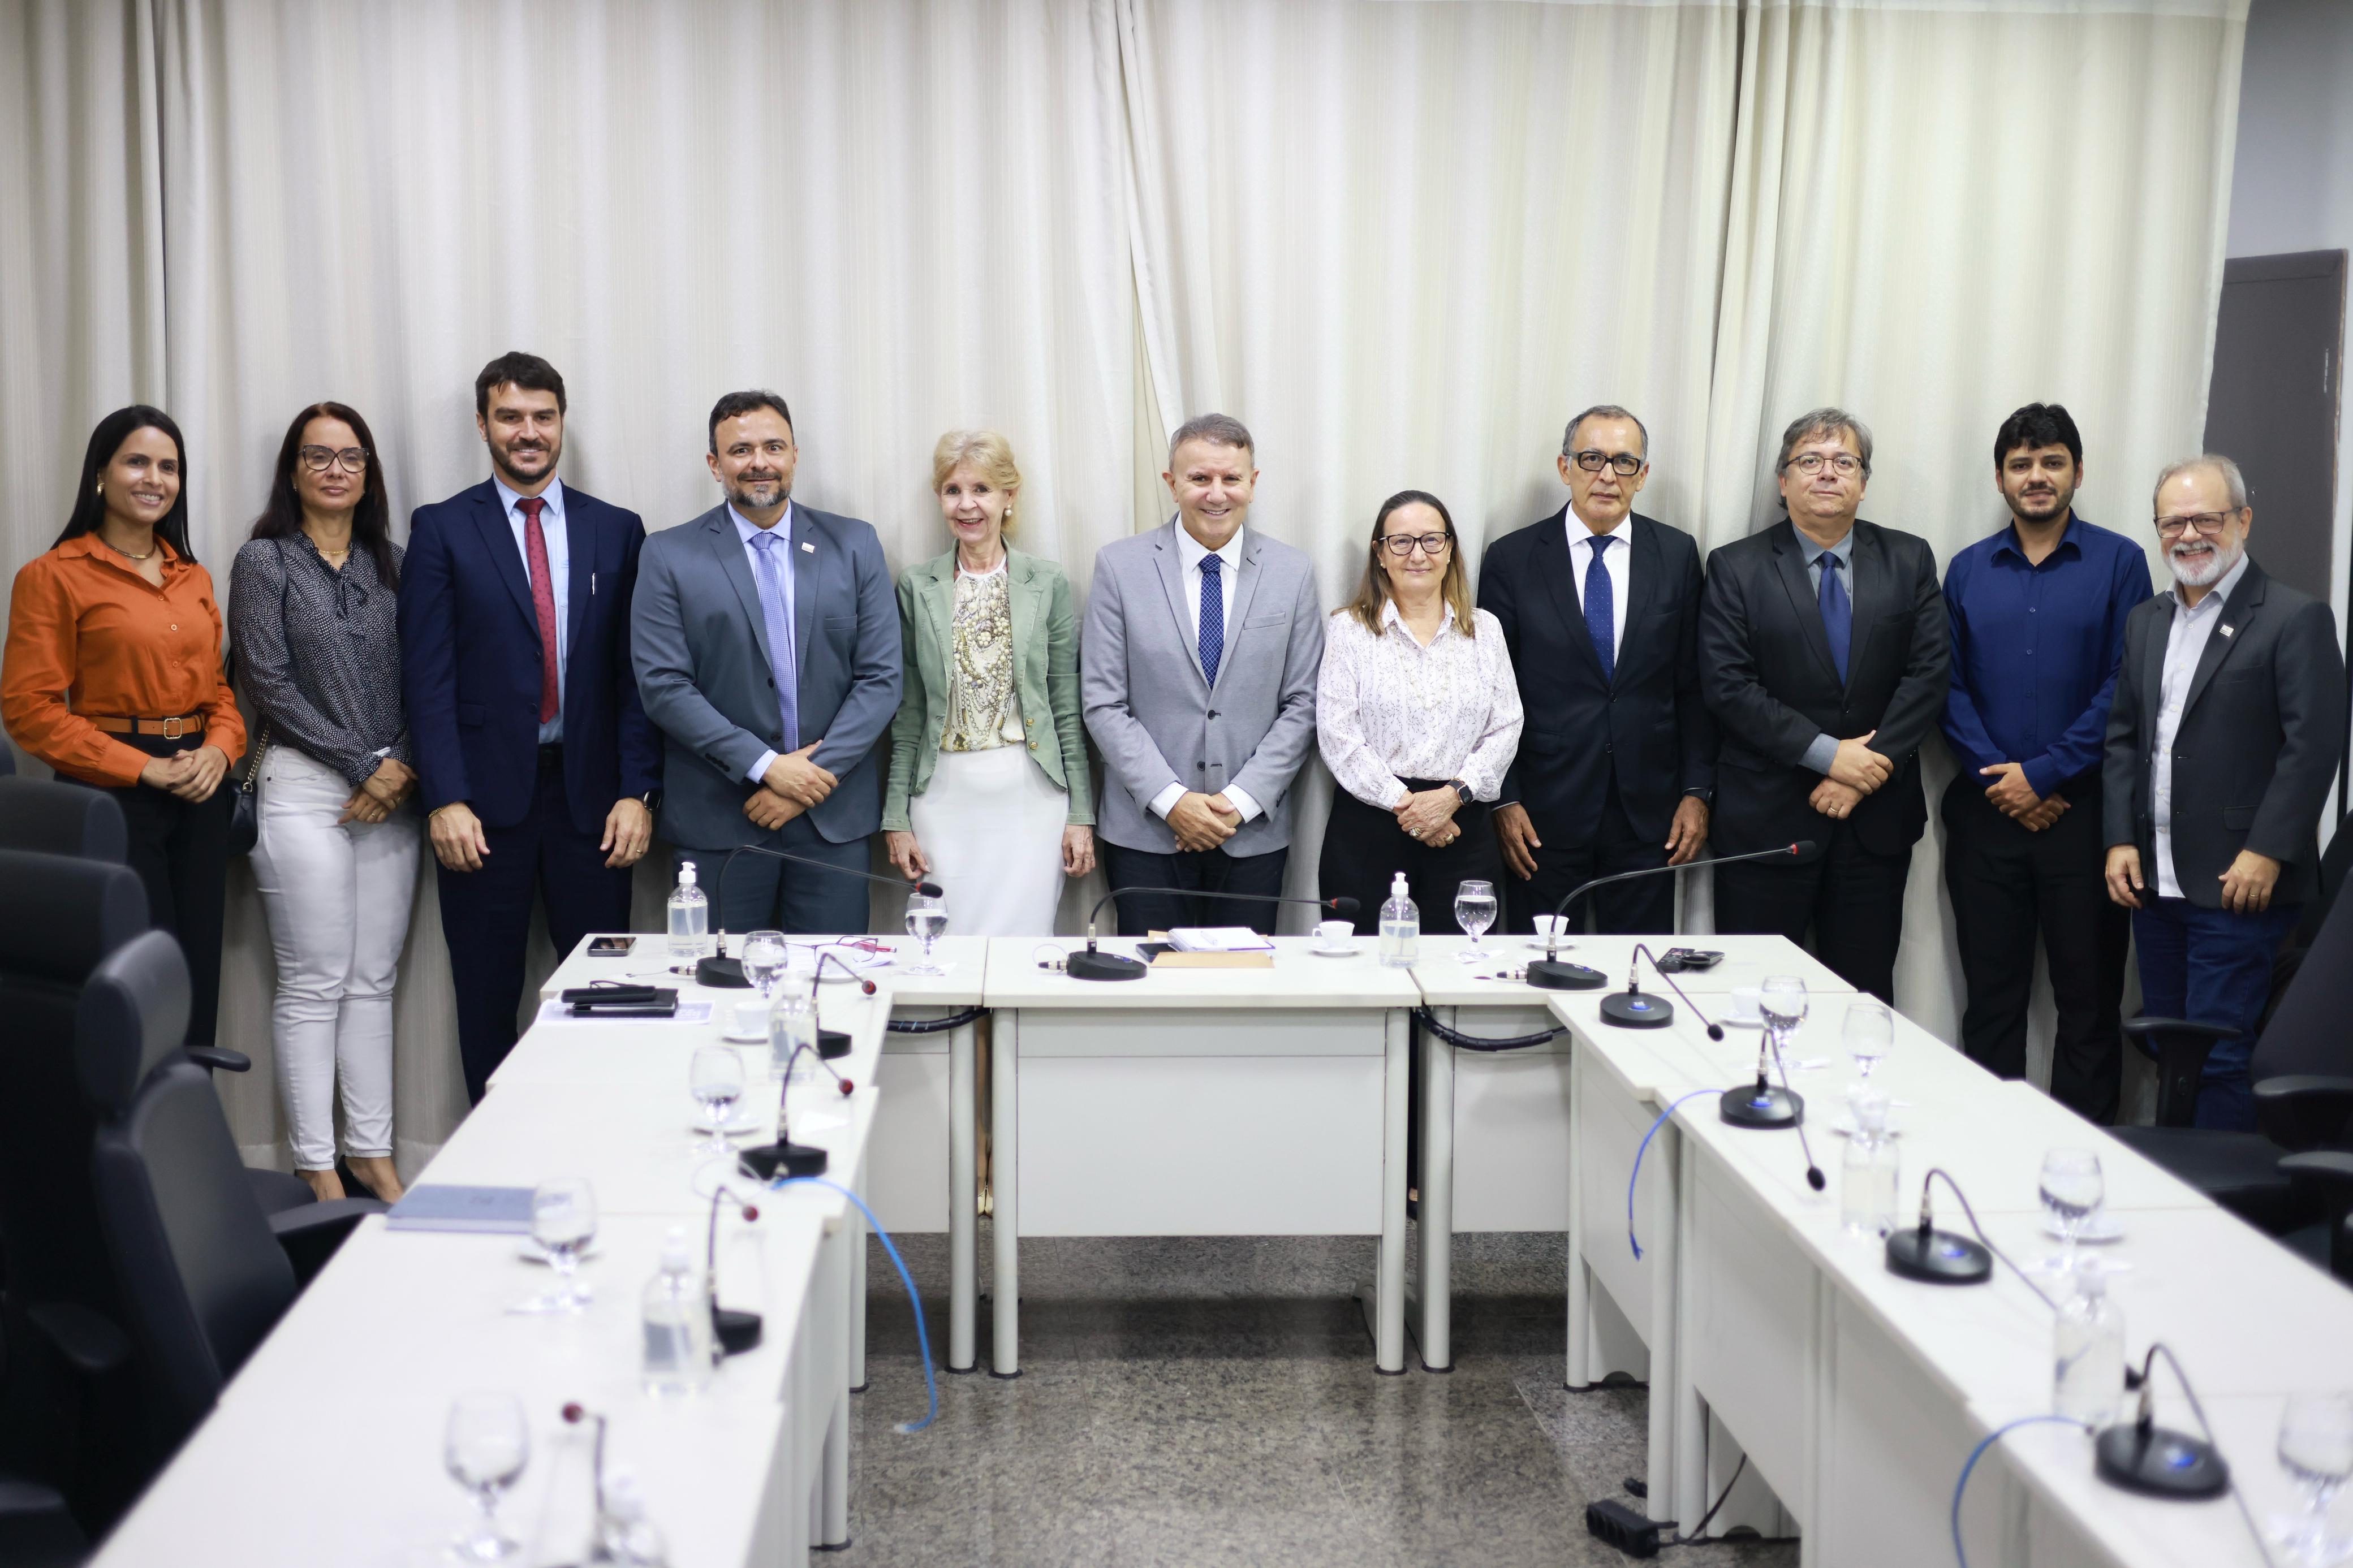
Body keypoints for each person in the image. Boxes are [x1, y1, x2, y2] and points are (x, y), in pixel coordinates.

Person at [399, 353, 661, 1103]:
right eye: (510, 416)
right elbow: (427, 677)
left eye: (543, 416)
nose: (528, 432)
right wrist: (444, 797)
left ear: (562, 424)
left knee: (607, 996)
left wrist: (638, 791)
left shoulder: (617, 531)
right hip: (481, 809)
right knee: (487, 1002)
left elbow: (634, 678)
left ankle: (599, 1158)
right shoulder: (443, 529)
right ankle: (495, 1173)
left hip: (595, 806)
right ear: (482, 424)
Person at [2103, 455, 2346, 1131]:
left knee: (2218, 1057)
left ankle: (2222, 1218)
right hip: (2157, 887)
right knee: (2167, 1049)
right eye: (2172, 521)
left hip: (2239, 884)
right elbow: (2123, 738)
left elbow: (2312, 747)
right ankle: (2175, 1194)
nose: (2188, 535)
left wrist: (2266, 849)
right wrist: (2120, 838)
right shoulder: (2145, 621)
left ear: (2241, 519)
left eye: (2205, 518)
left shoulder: (2293, 619)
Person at [3, 406, 245, 1047]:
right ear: (101, 476)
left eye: (169, 467)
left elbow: (220, 691)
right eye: (137, 461)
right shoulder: (52, 576)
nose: (154, 478)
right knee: (141, 974)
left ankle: (187, 1127)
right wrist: (143, 767)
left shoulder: (191, 577)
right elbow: (29, 708)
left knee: (196, 972)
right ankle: (134, 1135)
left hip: (200, 786)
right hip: (110, 791)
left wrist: (220, 752)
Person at [1940, 404, 2150, 1123]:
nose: (2036, 476)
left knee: (2087, 1004)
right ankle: (1990, 1156)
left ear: (2077, 472)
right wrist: (2005, 779)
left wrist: (2047, 774)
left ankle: (2080, 1161)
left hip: (2085, 820)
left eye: (2051, 461)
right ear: (2000, 478)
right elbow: (1945, 685)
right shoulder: (1965, 570)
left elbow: (2129, 681)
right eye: (2021, 464)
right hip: (1984, 818)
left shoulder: (2121, 562)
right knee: (1990, 1003)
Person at [229, 403, 418, 1202]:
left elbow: (429, 674)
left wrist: (398, 764)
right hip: (303, 790)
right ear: (294, 470)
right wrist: (359, 762)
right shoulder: (264, 561)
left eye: (351, 456)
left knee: (372, 980)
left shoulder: (397, 562)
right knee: (315, 980)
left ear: (369, 472)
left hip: (393, 795)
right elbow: (264, 682)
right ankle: (316, 1168)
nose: (335, 469)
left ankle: (372, 1156)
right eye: (318, 456)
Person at [1698, 407, 1950, 1002]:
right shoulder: (1734, 566)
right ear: (1782, 481)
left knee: (1861, 1001)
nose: (1826, 473)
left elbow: (1929, 674)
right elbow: (1727, 686)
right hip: (1766, 823)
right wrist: (1826, 757)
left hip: (1874, 827)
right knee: (1753, 1001)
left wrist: (1862, 773)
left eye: (1844, 462)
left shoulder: (1909, 559)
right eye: (1808, 460)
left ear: (1863, 482)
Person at [632, 391, 899, 935]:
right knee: (721, 992)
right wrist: (768, 767)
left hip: (831, 819)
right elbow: (664, 686)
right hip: (720, 819)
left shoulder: (854, 544)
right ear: (715, 464)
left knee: (836, 990)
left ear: (795, 455)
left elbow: (881, 679)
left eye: (773, 446)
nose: (759, 461)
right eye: (741, 449)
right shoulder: (668, 554)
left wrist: (808, 780)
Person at [1082, 414, 1323, 936]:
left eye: (1231, 479)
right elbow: (1103, 702)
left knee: (1242, 995)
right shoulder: (1118, 568)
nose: (1217, 494)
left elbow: (1304, 704)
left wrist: (1235, 804)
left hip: (1252, 832)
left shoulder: (1293, 571)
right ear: (1172, 483)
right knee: (1150, 993)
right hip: (1145, 832)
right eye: (1199, 479)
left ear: (1253, 483)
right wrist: (1174, 802)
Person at [1478, 405, 1715, 934]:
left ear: (1643, 475)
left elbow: (1693, 685)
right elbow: (1490, 693)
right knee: (1535, 972)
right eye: (1592, 459)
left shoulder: (1677, 554)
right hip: (1541, 812)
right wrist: (1505, 798)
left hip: (1649, 812)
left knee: (1636, 977)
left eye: (1624, 462)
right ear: (1565, 468)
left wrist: (1697, 791)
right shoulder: (1512, 558)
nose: (1607, 475)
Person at [882, 431, 1093, 932]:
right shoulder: (917, 586)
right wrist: (896, 816)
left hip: (1031, 798)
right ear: (939, 498)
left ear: (1009, 497)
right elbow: (908, 711)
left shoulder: (1047, 582)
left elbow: (1066, 705)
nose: (967, 504)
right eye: (953, 490)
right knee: (946, 950)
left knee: (1022, 950)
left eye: (981, 489)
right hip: (942, 799)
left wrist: (1081, 813)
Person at [1316, 490, 1520, 931]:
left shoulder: (1485, 630)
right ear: (1380, 554)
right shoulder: (1349, 630)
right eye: (1401, 542)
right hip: (1371, 827)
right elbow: (1338, 735)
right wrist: (1409, 807)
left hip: (1462, 825)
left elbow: (1506, 726)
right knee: (1366, 975)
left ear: (1450, 551)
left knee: (1459, 972)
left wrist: (1451, 798)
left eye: (1431, 540)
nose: (1418, 554)